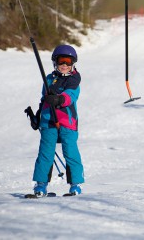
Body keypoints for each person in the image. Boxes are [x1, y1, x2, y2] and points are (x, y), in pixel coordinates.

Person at [31, 44, 84, 197]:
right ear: (55, 62)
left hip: (67, 122)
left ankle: (75, 185)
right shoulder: (48, 79)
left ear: (73, 63)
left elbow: (70, 97)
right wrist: (38, 116)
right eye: (61, 61)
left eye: (68, 61)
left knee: (70, 152)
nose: (64, 65)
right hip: (48, 122)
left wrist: (59, 99)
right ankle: (41, 185)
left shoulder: (74, 81)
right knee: (45, 153)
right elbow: (44, 100)